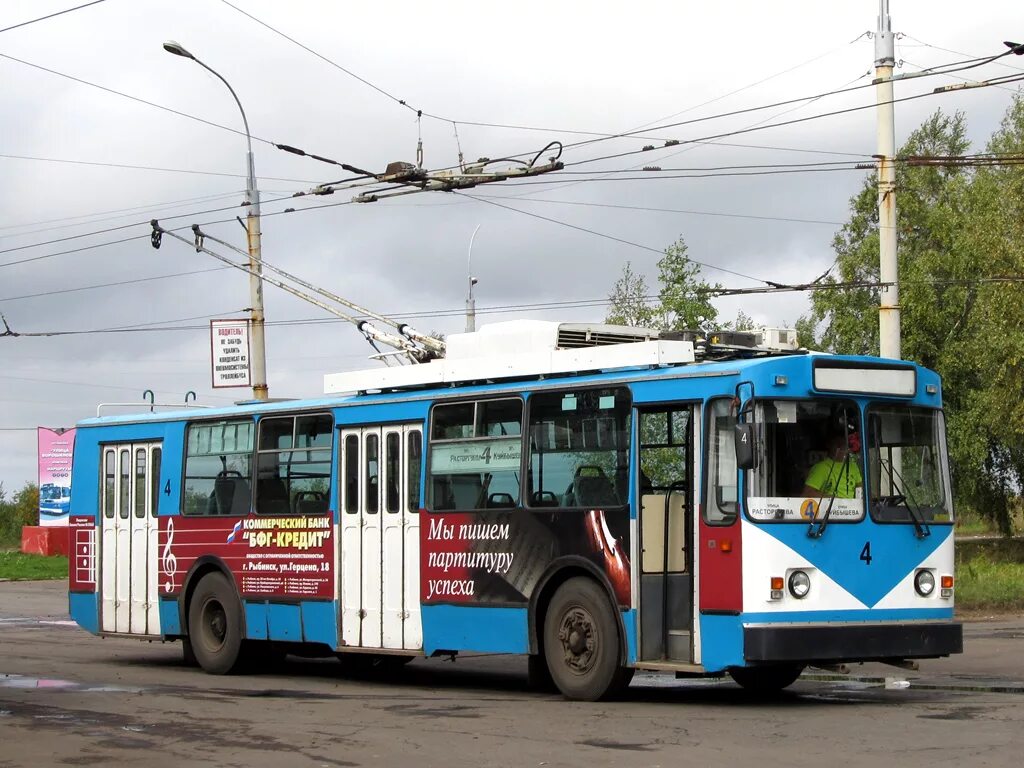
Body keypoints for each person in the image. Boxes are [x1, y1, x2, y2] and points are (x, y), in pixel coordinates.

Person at [801, 430, 862, 499]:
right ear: (829, 445)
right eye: (837, 443)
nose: (840, 447)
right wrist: (837, 500)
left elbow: (861, 490)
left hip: (854, 508)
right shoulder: (821, 467)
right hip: (830, 508)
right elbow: (807, 493)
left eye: (843, 443)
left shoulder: (853, 466)